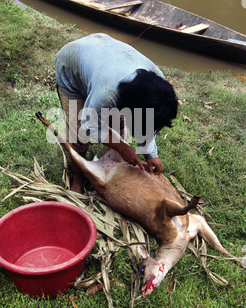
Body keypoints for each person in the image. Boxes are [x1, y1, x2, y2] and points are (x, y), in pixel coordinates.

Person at [54, 33, 178, 193]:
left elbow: (147, 122)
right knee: (78, 135)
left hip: (105, 55)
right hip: (71, 63)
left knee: (117, 123)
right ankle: (78, 178)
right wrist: (122, 147)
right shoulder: (108, 94)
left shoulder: (157, 81)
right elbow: (88, 126)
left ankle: (109, 163)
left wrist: (151, 155)